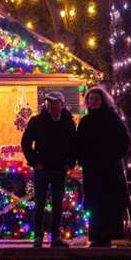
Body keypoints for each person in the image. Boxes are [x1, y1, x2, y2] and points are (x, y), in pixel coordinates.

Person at [76, 86, 131, 247]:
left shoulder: (112, 119)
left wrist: (113, 156)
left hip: (109, 170)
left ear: (103, 101)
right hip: (92, 170)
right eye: (90, 99)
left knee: (109, 203)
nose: (93, 101)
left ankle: (107, 236)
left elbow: (125, 141)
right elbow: (79, 144)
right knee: (94, 204)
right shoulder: (85, 121)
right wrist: (82, 159)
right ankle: (96, 236)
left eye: (96, 99)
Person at [22, 91, 78, 247]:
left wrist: (70, 163)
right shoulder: (37, 121)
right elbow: (26, 143)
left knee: (58, 204)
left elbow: (74, 145)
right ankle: (38, 236)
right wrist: (35, 162)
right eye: (49, 103)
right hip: (42, 168)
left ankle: (55, 237)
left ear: (62, 104)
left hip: (59, 169)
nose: (52, 106)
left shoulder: (68, 122)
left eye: (55, 102)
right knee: (39, 203)